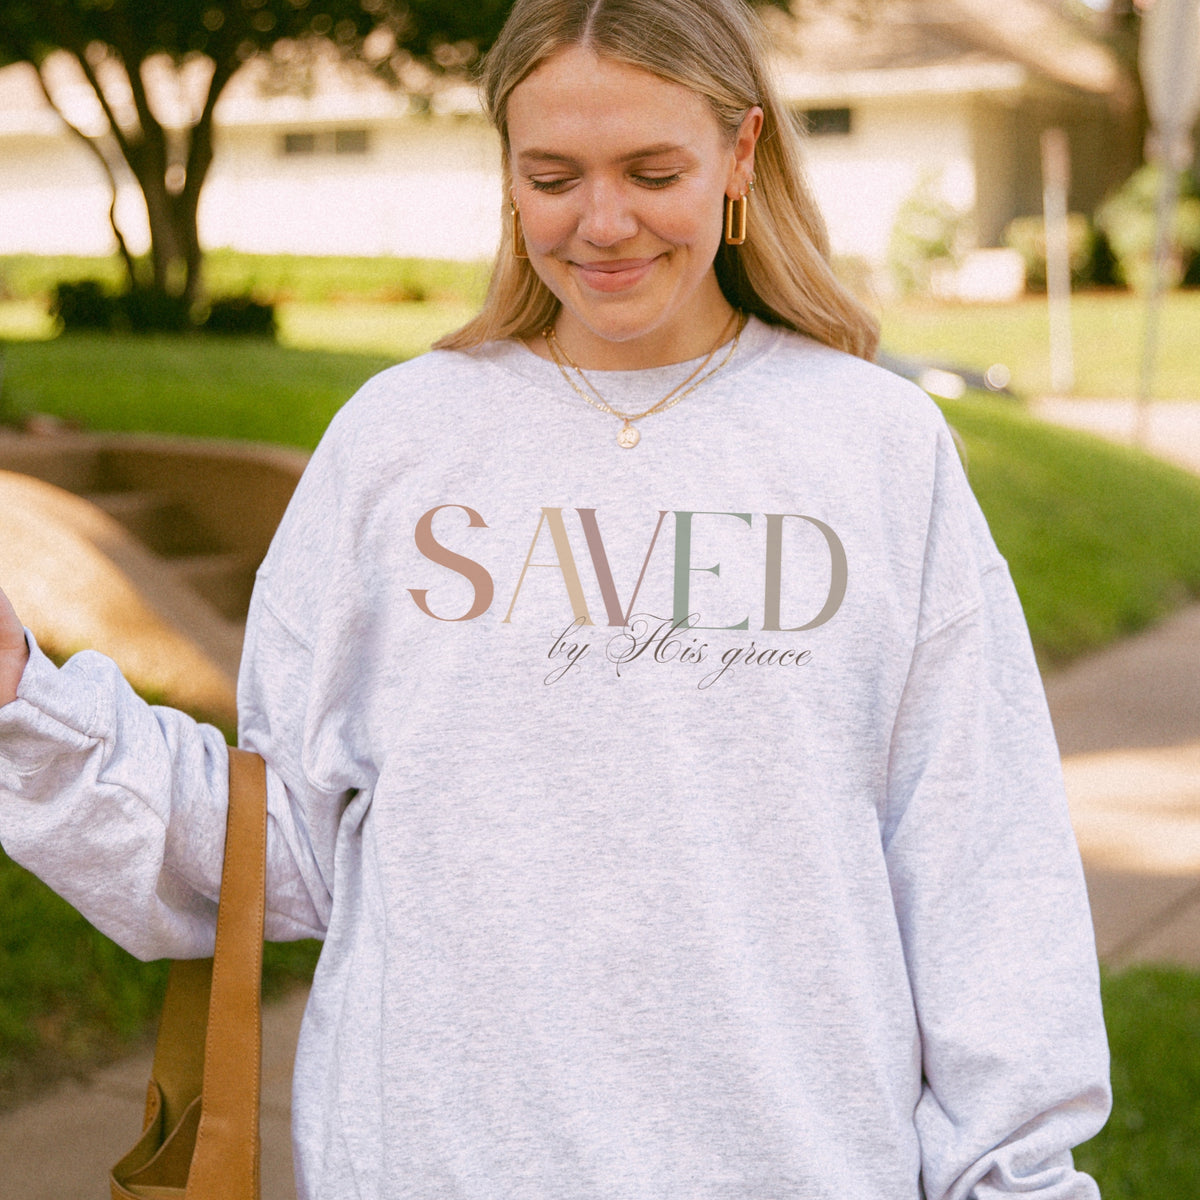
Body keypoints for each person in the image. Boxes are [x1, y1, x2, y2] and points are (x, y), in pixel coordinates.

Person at [0, 0, 1110, 1196]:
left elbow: (980, 865)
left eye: (652, 169)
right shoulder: (400, 442)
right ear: (508, 174)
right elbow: (288, 848)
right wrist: (26, 705)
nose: (603, 221)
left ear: (742, 154)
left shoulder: (875, 449)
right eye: (554, 175)